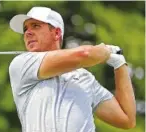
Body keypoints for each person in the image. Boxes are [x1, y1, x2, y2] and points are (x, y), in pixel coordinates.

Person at [8, 7, 136, 132]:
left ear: (57, 33)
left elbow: (127, 120)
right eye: (25, 29)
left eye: (35, 26)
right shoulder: (22, 63)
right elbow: (85, 54)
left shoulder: (85, 78)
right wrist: (104, 50)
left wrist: (119, 64)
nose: (27, 33)